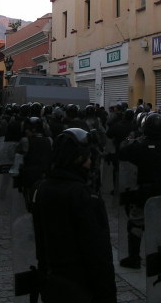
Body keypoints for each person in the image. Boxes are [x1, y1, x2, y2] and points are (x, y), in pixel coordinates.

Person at [32, 128, 117, 303]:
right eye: (87, 157)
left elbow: (39, 240)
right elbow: (99, 255)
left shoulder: (42, 189)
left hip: (52, 284)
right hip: (81, 286)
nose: (90, 161)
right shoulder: (85, 196)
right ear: (78, 158)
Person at [117, 112, 161, 269]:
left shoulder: (137, 145)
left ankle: (134, 257)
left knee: (136, 224)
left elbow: (122, 155)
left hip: (143, 193)